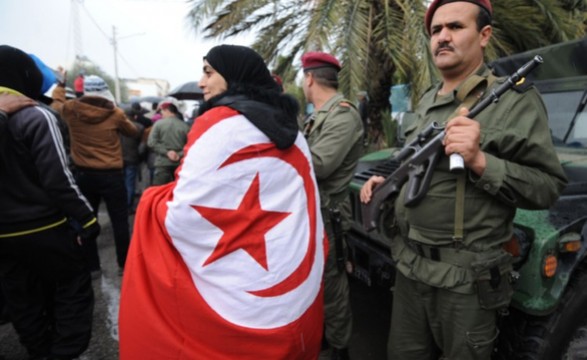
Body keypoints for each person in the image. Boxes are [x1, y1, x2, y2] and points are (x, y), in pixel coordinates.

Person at [359, 1, 568, 358]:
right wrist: (386, 183)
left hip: (466, 284)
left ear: (484, 35)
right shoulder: (426, 101)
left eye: (455, 27)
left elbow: (547, 187)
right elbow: (407, 162)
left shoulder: (515, 101)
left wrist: (480, 160)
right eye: (436, 30)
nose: (442, 36)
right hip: (409, 268)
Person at [119, 44, 326, 359]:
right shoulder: (294, 132)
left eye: (208, 72)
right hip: (288, 280)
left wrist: (151, 199)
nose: (202, 83)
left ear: (232, 75)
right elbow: (303, 201)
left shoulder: (216, 122)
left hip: (238, 292)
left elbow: (182, 214)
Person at [0, 45, 98, 360]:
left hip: (4, 235)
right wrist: (88, 218)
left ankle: (39, 351)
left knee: (22, 299)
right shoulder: (36, 115)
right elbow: (58, 179)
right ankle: (64, 353)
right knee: (72, 288)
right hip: (46, 227)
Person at [300, 51, 364, 359]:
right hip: (313, 212)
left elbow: (320, 164)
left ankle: (341, 348)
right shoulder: (318, 115)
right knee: (316, 284)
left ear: (310, 78)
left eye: (303, 78)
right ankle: (324, 336)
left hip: (331, 216)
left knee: (333, 287)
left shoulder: (343, 114)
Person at [58, 74, 139, 277]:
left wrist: (60, 84)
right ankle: (124, 265)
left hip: (84, 175)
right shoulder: (115, 113)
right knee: (120, 222)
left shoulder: (70, 110)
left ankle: (93, 267)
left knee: (87, 220)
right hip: (112, 176)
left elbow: (56, 103)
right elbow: (132, 132)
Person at [146, 97, 190, 185]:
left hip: (162, 163)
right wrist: (179, 154)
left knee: (160, 192)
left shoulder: (158, 124)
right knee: (177, 191)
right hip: (179, 164)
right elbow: (190, 145)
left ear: (167, 110)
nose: (161, 113)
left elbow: (151, 142)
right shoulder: (185, 126)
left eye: (162, 111)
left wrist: (167, 152)